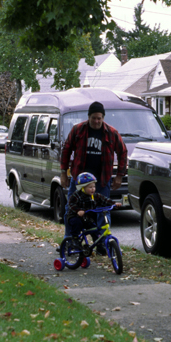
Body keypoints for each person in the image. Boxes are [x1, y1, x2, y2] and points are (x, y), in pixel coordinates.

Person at [60, 101, 127, 237]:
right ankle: (70, 240)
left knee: (103, 211)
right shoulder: (77, 130)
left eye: (99, 118)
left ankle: (103, 243)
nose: (96, 121)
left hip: (101, 180)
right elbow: (66, 150)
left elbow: (123, 152)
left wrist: (119, 176)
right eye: (93, 118)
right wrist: (63, 173)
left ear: (103, 118)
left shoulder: (112, 133)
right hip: (79, 180)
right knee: (71, 209)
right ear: (88, 117)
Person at [65, 173, 119, 254]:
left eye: (94, 186)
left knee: (96, 230)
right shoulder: (76, 195)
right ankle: (75, 240)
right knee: (76, 223)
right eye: (90, 187)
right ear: (82, 188)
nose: (93, 189)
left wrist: (114, 204)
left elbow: (104, 200)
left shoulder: (95, 196)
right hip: (75, 216)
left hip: (88, 218)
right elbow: (71, 204)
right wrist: (78, 210)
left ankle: (100, 246)